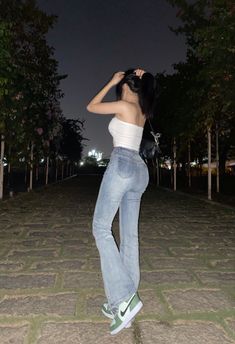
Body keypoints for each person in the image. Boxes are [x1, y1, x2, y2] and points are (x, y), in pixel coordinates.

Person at [87, 68, 155, 335]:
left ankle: (124, 298)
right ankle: (125, 299)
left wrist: (111, 81)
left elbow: (91, 106)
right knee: (130, 236)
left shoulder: (124, 104)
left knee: (101, 228)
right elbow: (150, 87)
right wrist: (143, 76)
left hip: (123, 163)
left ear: (125, 85)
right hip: (140, 170)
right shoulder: (142, 108)